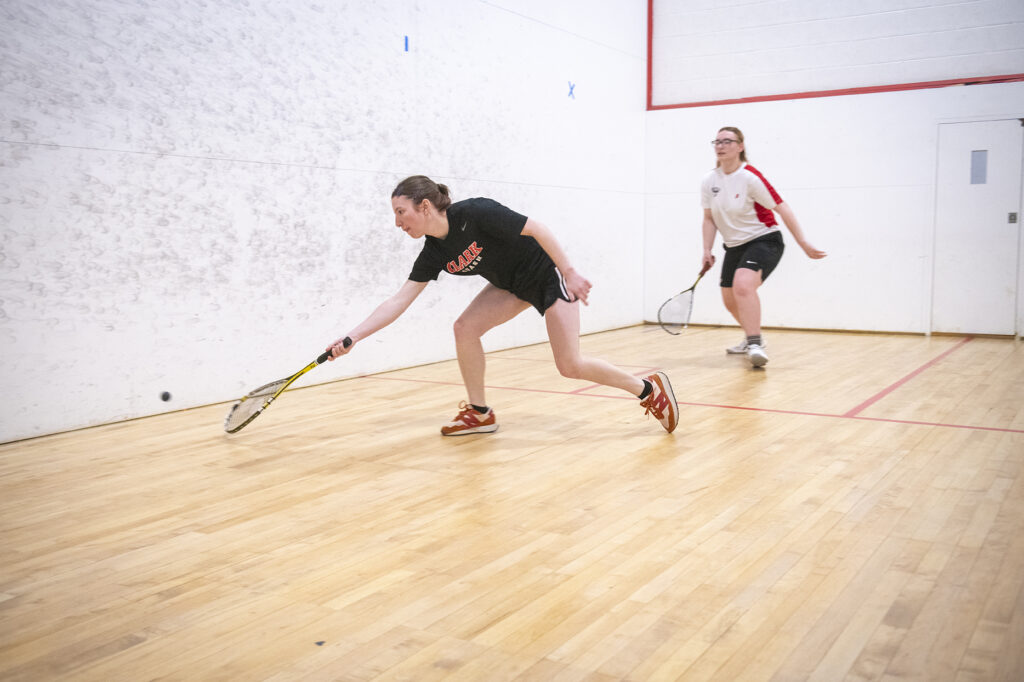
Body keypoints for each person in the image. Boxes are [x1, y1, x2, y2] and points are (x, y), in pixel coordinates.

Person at [325, 175, 679, 435]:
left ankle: (648, 390)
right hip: (511, 287)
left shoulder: (477, 212)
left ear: (426, 206)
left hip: (546, 276)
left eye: (401, 212)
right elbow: (399, 300)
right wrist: (353, 337)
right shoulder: (433, 252)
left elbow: (538, 229)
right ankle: (480, 413)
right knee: (464, 329)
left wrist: (569, 272)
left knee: (570, 365)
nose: (397, 222)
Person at [700, 127, 826, 367]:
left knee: (743, 286)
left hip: (764, 240)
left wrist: (803, 242)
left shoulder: (750, 177)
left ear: (740, 146)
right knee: (730, 300)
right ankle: (752, 336)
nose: (721, 145)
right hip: (734, 246)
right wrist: (707, 249)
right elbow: (709, 218)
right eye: (717, 141)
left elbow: (781, 206)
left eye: (727, 141)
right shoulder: (709, 180)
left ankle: (755, 344)